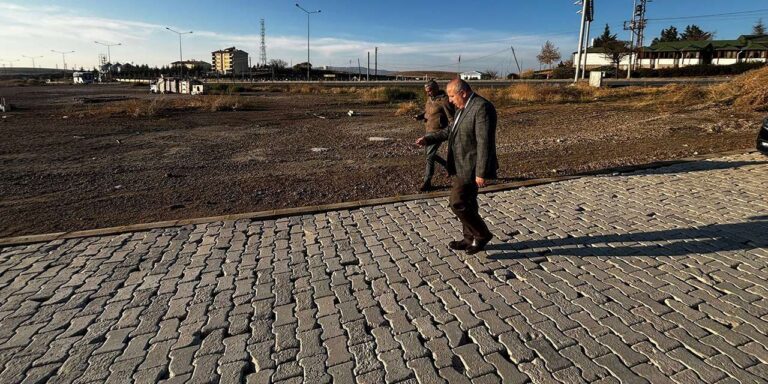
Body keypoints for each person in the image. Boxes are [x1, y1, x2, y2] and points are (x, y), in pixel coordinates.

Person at [416, 79, 498, 255]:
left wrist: (481, 172)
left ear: (463, 93)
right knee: (468, 202)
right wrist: (428, 139)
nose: (450, 100)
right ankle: (469, 238)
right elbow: (450, 130)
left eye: (452, 96)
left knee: (457, 201)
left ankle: (482, 234)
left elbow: (484, 142)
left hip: (471, 166)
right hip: (460, 164)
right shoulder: (463, 107)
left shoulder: (481, 107)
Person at [414, 80, 455, 192]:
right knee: (428, 154)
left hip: (438, 132)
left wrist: (451, 132)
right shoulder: (430, 99)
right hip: (428, 130)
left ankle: (427, 182)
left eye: (430, 91)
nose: (428, 93)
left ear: (436, 88)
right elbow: (428, 112)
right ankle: (448, 165)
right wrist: (420, 116)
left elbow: (451, 118)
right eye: (426, 91)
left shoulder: (444, 100)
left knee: (429, 156)